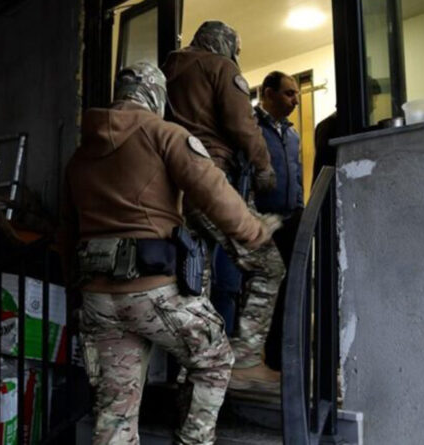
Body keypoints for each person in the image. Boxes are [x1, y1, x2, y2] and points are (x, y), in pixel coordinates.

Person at [60, 62, 280, 445]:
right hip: (154, 291)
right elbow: (213, 190)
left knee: (115, 413)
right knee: (214, 358)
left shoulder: (80, 156)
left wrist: (75, 287)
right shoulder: (164, 134)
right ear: (156, 95)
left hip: (98, 299)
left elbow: (65, 232)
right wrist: (254, 230)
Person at [161, 20, 286, 391]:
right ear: (226, 44)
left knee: (195, 278)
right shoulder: (220, 67)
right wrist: (264, 166)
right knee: (268, 265)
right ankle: (245, 360)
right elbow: (242, 124)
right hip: (212, 181)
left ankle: (194, 367)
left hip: (174, 188)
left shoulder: (168, 70)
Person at [253, 71, 303, 372]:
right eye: (289, 93)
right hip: (259, 222)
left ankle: (277, 358)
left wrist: (300, 209)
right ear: (268, 94)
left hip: (290, 221)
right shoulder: (251, 128)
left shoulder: (293, 135)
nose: (295, 100)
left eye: (296, 94)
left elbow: (296, 174)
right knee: (259, 290)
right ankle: (247, 358)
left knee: (288, 289)